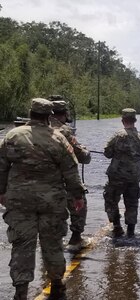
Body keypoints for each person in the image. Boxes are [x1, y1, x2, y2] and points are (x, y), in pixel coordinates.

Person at [0, 98, 85, 300]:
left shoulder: (12, 136)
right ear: (49, 116)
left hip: (20, 202)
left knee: (21, 245)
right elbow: (71, 171)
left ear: (30, 113)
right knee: (53, 243)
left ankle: (21, 292)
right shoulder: (58, 139)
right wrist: (77, 195)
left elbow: (1, 167)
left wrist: (1, 192)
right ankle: (57, 286)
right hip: (52, 202)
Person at [48, 96, 91, 249]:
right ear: (64, 114)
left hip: (40, 182)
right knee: (80, 204)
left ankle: (52, 242)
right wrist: (86, 151)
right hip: (63, 179)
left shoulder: (33, 128)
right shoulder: (65, 131)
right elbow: (82, 157)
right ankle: (76, 238)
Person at [103, 108, 140, 238]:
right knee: (132, 203)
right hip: (134, 177)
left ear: (123, 121)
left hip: (117, 176)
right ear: (135, 120)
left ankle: (117, 227)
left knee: (111, 200)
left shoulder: (117, 136)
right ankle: (131, 232)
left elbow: (107, 153)